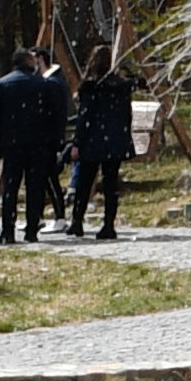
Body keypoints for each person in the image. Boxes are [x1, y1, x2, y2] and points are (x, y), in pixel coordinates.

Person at [0, 42, 65, 242]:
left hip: (13, 143)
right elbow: (54, 114)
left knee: (11, 188)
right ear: (28, 62)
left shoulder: (4, 83)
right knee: (34, 188)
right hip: (38, 144)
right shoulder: (43, 84)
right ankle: (31, 230)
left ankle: (7, 231)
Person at [68, 48, 137, 240]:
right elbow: (126, 114)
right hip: (114, 140)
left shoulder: (91, 87)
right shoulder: (121, 87)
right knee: (110, 184)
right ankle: (108, 224)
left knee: (85, 181)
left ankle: (77, 221)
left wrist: (77, 142)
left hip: (93, 140)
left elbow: (85, 116)